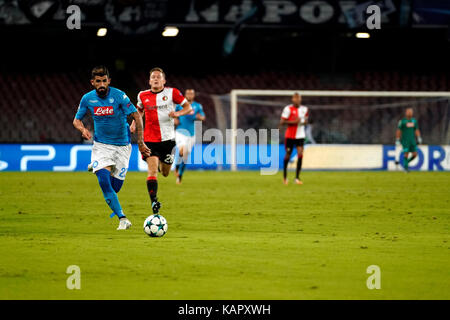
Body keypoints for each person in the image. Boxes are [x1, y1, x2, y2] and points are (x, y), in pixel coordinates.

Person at [73, 66, 150, 230]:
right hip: (101, 146)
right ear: (92, 82)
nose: (101, 84)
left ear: (109, 81)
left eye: (104, 80)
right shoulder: (87, 99)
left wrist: (141, 142)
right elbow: (76, 120)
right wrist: (83, 129)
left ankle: (95, 165)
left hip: (122, 146)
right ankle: (123, 218)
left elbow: (136, 114)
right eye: (98, 81)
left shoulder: (119, 95)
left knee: (115, 188)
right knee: (104, 183)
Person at [131, 67, 192, 214]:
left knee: (165, 173)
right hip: (149, 141)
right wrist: (134, 123)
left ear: (164, 81)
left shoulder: (172, 93)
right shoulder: (142, 95)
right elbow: (139, 110)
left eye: (159, 77)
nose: (156, 79)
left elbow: (188, 107)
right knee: (152, 171)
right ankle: (154, 202)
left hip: (168, 140)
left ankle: (159, 164)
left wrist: (177, 113)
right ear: (149, 80)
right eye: (153, 77)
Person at [174, 89, 205, 184]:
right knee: (182, 150)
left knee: (185, 157)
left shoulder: (197, 106)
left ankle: (180, 175)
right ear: (185, 94)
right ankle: (177, 166)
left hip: (192, 134)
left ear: (194, 95)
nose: (190, 95)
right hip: (180, 132)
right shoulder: (180, 105)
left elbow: (203, 117)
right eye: (188, 93)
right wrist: (175, 119)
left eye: (191, 93)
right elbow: (173, 115)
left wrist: (200, 118)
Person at [279, 92, 309, 185]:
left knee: (300, 153)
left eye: (299, 98)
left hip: (300, 135)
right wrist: (294, 121)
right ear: (292, 99)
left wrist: (303, 122)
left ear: (300, 99)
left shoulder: (304, 109)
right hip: (290, 136)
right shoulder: (288, 109)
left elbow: (306, 122)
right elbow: (282, 122)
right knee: (288, 154)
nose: (297, 100)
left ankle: (297, 178)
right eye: (295, 98)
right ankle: (285, 177)